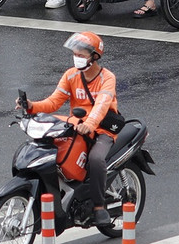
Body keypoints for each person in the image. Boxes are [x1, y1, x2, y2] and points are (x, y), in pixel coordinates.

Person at [17, 31, 121, 227]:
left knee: (96, 159)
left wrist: (90, 124)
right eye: (75, 54)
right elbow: (54, 102)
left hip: (102, 129)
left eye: (81, 55)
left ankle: (99, 207)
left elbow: (101, 106)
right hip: (78, 125)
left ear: (94, 57)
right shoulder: (71, 75)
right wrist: (31, 106)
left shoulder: (107, 78)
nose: (77, 58)